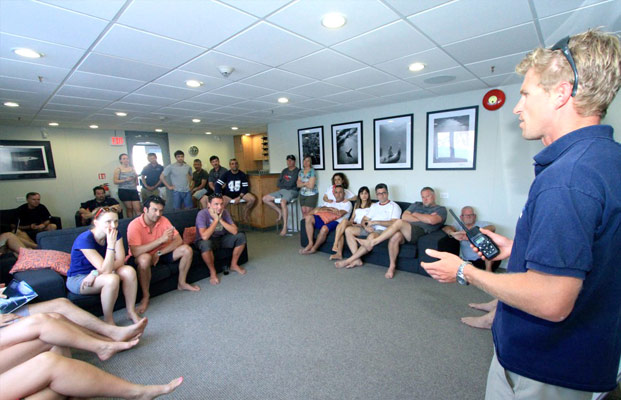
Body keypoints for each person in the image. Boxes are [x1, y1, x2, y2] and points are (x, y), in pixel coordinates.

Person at [421, 29, 621, 398]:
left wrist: (463, 270)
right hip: (584, 355)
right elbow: (595, 248)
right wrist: (518, 248)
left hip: (545, 366)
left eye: (526, 93)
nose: (517, 106)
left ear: (561, 93)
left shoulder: (568, 179)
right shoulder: (607, 158)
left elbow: (551, 300)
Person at [66, 207, 141, 324]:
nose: (114, 225)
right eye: (108, 222)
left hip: (97, 273)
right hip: (80, 278)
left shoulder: (115, 233)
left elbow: (120, 260)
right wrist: (111, 245)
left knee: (129, 271)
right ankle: (108, 319)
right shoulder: (85, 239)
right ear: (96, 223)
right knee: (111, 279)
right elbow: (106, 270)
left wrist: (95, 273)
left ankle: (131, 311)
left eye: (116, 221)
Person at [127, 196, 199, 313]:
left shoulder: (164, 220)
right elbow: (135, 252)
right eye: (154, 210)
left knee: (187, 249)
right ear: (145, 210)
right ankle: (146, 296)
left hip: (161, 253)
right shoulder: (134, 225)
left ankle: (182, 283)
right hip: (142, 256)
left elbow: (178, 240)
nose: (158, 214)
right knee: (145, 259)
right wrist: (160, 240)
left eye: (161, 210)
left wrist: (158, 253)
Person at [355, 187, 446, 279]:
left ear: (434, 196)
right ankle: (392, 266)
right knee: (396, 236)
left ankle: (373, 242)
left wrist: (415, 214)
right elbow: (405, 216)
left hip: (420, 232)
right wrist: (424, 217)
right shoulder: (416, 204)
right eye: (423, 197)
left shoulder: (441, 209)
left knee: (398, 222)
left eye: (428, 196)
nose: (425, 199)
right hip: (405, 230)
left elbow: (432, 221)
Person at [334, 184, 402, 273]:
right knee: (348, 230)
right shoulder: (374, 206)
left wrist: (376, 222)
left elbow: (394, 223)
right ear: (376, 195)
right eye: (379, 193)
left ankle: (349, 260)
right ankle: (357, 259)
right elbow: (364, 219)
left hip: (382, 230)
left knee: (372, 236)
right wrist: (365, 227)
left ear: (388, 193)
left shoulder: (394, 206)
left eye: (384, 193)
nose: (381, 195)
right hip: (369, 228)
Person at [196, 193, 247, 285]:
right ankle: (212, 272)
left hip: (221, 238)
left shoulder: (225, 212)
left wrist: (220, 220)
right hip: (208, 240)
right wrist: (215, 220)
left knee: (241, 236)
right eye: (216, 204)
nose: (219, 207)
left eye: (221, 204)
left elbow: (235, 231)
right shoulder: (202, 214)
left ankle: (234, 264)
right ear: (209, 204)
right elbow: (204, 236)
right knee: (205, 244)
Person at [443, 206, 500, 273]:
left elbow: (492, 227)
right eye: (466, 215)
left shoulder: (482, 224)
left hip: (485, 259)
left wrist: (474, 234)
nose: (469, 217)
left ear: (475, 216)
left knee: (487, 239)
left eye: (471, 215)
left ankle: (488, 270)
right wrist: (453, 234)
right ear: (461, 217)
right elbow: (446, 228)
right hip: (469, 262)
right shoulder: (458, 225)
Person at [300, 185, 352, 255]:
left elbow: (339, 214)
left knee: (324, 229)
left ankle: (314, 248)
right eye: (336, 192)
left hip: (336, 221)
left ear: (344, 194)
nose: (338, 194)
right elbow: (318, 209)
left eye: (340, 192)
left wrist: (325, 209)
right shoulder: (330, 202)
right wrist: (330, 209)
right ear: (333, 194)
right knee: (309, 217)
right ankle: (310, 243)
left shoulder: (347, 203)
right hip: (323, 218)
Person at [330, 186, 372, 260]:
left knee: (341, 228)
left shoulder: (372, 205)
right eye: (362, 193)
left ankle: (336, 245)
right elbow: (352, 217)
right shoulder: (356, 204)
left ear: (368, 195)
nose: (364, 195)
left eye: (366, 193)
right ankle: (338, 253)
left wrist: (361, 224)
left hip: (362, 226)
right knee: (343, 222)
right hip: (355, 224)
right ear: (359, 195)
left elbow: (371, 219)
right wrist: (352, 221)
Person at [262, 154, 300, 236]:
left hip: (292, 191)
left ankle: (285, 227)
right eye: (288, 160)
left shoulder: (297, 171)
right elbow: (278, 183)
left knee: (283, 202)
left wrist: (285, 184)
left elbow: (292, 183)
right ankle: (279, 211)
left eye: (291, 160)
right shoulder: (284, 171)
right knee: (265, 198)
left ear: (294, 161)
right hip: (282, 190)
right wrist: (285, 185)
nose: (289, 162)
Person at [215, 158, 256, 223]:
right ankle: (221, 221)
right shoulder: (226, 174)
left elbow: (245, 188)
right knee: (220, 204)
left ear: (238, 165)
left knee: (252, 199)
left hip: (240, 194)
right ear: (230, 165)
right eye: (232, 164)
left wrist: (239, 197)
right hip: (228, 195)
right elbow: (218, 184)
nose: (234, 165)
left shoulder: (242, 174)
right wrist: (218, 195)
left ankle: (245, 213)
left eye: (236, 163)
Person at [113, 153, 141, 218]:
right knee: (129, 208)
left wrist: (136, 181)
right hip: (124, 190)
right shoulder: (118, 169)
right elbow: (115, 181)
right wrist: (126, 180)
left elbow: (136, 177)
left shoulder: (132, 168)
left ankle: (140, 223)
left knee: (138, 208)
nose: (126, 160)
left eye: (127, 158)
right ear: (121, 160)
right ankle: (130, 223)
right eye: (124, 159)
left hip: (133, 190)